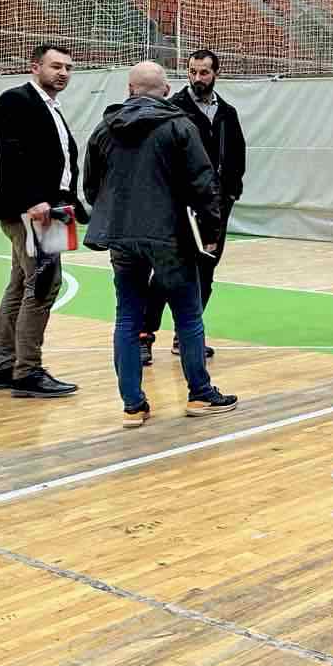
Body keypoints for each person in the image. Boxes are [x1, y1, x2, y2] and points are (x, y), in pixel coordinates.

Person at [83, 61, 237, 427]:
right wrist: (211, 230)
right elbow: (203, 183)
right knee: (188, 315)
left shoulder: (105, 128)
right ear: (166, 90)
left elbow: (91, 186)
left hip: (122, 236)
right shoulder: (180, 126)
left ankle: (133, 405)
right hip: (170, 236)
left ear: (129, 89)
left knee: (127, 317)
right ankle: (200, 394)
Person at [0, 42, 86, 398]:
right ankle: (26, 371)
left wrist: (74, 205)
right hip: (34, 211)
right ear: (35, 67)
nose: (63, 73)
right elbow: (13, 154)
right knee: (43, 285)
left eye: (68, 68)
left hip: (51, 210)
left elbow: (62, 163)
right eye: (56, 66)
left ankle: (2, 367)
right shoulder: (16, 100)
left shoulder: (51, 108)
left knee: (21, 285)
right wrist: (33, 201)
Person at [138, 49, 246, 366]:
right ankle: (144, 334)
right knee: (166, 273)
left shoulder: (227, 113)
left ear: (216, 74)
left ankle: (186, 336)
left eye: (204, 72)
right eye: (192, 72)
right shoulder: (173, 109)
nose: (198, 78)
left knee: (205, 273)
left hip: (216, 206)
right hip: (179, 207)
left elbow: (237, 155)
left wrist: (230, 192)